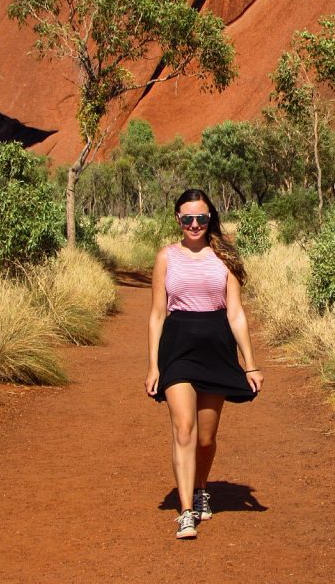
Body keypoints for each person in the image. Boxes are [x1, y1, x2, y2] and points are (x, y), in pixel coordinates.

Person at [145, 188, 265, 540]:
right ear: (178, 220)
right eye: (187, 219)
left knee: (206, 439)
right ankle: (185, 511)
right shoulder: (166, 257)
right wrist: (153, 365)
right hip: (178, 345)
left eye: (201, 218)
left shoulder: (224, 258)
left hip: (216, 346)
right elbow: (156, 315)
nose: (194, 224)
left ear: (210, 218)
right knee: (184, 429)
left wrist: (251, 363)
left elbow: (236, 313)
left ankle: (201, 489)